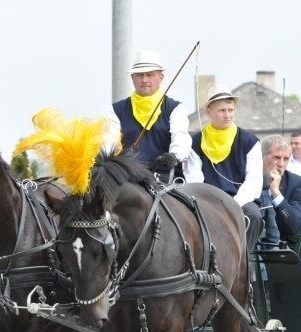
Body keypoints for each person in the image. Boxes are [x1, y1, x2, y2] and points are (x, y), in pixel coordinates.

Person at [184, 84, 263, 251]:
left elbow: (253, 182)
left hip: (240, 201)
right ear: (209, 113)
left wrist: (232, 205)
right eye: (221, 110)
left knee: (254, 215)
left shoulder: (250, 141)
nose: (227, 115)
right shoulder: (196, 142)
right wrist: (210, 205)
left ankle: (242, 260)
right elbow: (194, 181)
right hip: (207, 201)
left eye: (231, 110)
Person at [107, 50, 191, 184]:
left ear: (161, 78)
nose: (144, 80)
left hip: (166, 179)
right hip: (129, 180)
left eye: (150, 75)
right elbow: (108, 144)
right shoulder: (116, 110)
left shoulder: (175, 108)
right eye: (139, 75)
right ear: (132, 78)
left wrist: (174, 155)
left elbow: (181, 137)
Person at [263, 135, 301, 240]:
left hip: (279, 248)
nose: (281, 164)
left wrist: (276, 193)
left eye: (286, 159)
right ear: (261, 156)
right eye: (276, 157)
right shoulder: (247, 178)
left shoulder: (296, 183)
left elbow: (296, 227)